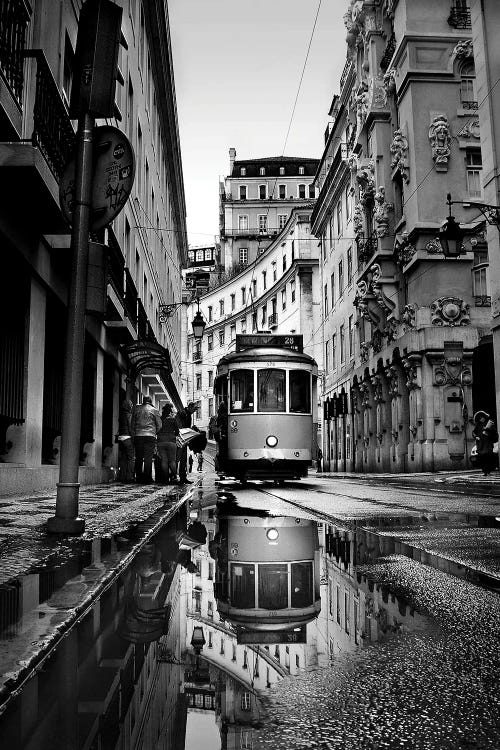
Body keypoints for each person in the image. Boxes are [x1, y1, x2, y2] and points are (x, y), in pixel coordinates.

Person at [131, 396, 162, 484]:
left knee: (139, 457)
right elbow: (159, 425)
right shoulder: (154, 410)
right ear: (150, 401)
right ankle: (147, 478)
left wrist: (134, 433)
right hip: (150, 436)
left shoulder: (136, 409)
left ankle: (139, 478)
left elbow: (132, 424)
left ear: (143, 401)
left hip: (138, 435)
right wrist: (154, 432)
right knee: (148, 458)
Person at [156, 402, 179, 484]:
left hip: (161, 441)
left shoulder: (160, 419)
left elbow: (157, 430)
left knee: (164, 461)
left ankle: (165, 479)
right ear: (170, 410)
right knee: (172, 461)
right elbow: (177, 432)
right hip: (171, 441)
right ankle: (175, 477)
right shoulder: (173, 419)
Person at [176, 402, 197, 484]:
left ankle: (183, 477)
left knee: (183, 459)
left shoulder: (187, 414)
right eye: (194, 409)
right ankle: (177, 477)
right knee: (179, 458)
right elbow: (181, 426)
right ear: (190, 407)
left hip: (184, 438)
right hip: (181, 438)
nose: (195, 411)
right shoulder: (183, 413)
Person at [472, 411, 498, 476]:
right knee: (482, 458)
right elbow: (474, 432)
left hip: (488, 444)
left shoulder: (490, 423)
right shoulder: (478, 425)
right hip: (481, 444)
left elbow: (494, 433)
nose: (481, 419)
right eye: (480, 418)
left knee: (488, 458)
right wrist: (476, 437)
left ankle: (488, 471)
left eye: (482, 417)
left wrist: (487, 429)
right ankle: (484, 471)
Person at [117, 399, 135, 482]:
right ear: (128, 406)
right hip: (127, 437)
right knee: (131, 458)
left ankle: (122, 477)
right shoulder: (129, 415)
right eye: (131, 405)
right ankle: (129, 477)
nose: (131, 406)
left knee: (123, 458)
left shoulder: (121, 415)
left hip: (120, 438)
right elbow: (130, 427)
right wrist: (133, 437)